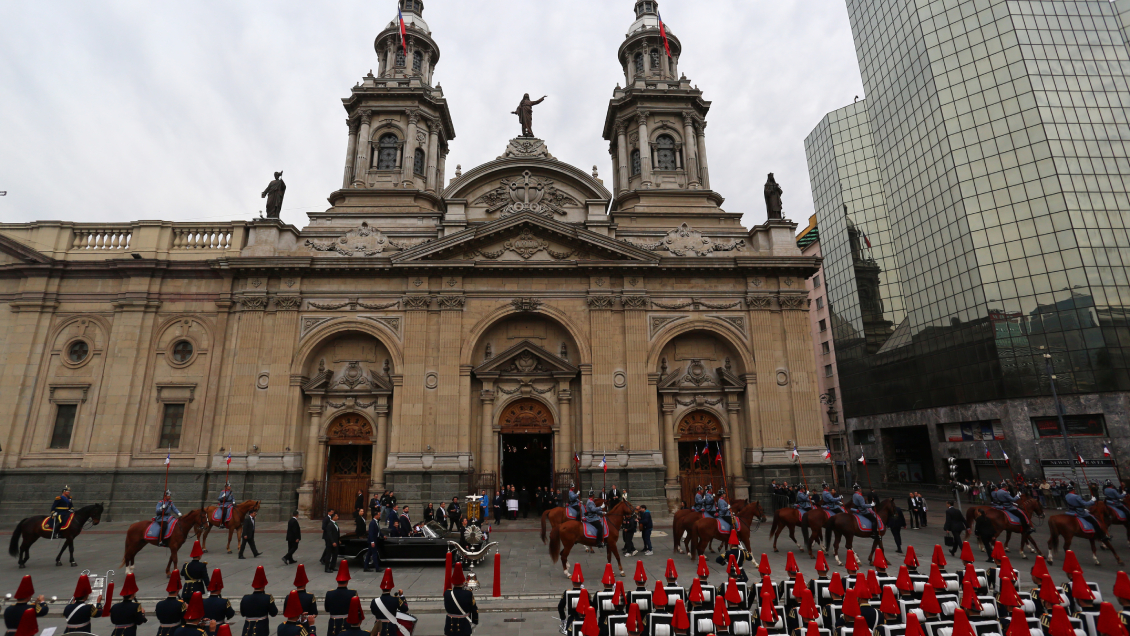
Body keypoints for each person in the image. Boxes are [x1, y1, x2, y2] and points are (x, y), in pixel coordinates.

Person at [239, 566, 277, 636]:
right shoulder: (267, 597)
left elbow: (243, 614)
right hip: (261, 630)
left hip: (247, 630)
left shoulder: (245, 598)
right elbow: (274, 613)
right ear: (264, 586)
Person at [324, 560, 358, 636]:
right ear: (347, 581)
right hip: (347, 623)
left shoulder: (329, 593)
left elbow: (327, 609)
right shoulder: (352, 593)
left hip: (334, 623)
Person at [370, 570, 409, 636]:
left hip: (378, 627)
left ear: (381, 588)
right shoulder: (396, 599)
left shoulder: (374, 601)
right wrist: (402, 596)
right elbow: (405, 609)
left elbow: (374, 612)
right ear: (391, 588)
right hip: (391, 627)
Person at [443, 563, 478, 636]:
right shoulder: (468, 594)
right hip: (464, 626)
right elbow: (474, 610)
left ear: (453, 582)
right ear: (463, 582)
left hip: (450, 627)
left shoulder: (447, 593)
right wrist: (475, 622)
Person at [156, 571, 188, 636]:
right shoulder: (180, 604)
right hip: (175, 630)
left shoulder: (159, 604)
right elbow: (184, 619)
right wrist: (186, 608)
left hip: (161, 631)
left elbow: (159, 617)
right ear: (177, 591)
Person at [292, 565, 318, 635]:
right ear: (305, 583)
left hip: (292, 625)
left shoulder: (288, 597)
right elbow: (314, 614)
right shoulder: (310, 596)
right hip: (306, 626)